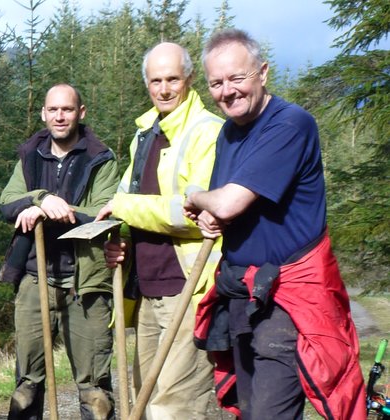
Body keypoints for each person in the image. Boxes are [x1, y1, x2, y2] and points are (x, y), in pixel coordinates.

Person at [182, 29, 365, 419]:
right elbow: (225, 210)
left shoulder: (290, 124)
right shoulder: (229, 134)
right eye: (216, 83)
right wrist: (208, 218)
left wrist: (197, 194)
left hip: (286, 298)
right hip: (240, 292)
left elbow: (229, 201)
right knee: (249, 410)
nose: (227, 91)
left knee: (270, 413)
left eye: (237, 78)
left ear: (262, 72)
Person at [96, 42, 222, 419]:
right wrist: (120, 244)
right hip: (148, 287)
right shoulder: (144, 133)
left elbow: (193, 211)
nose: (164, 89)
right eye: (156, 81)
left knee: (176, 407)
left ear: (189, 79)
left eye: (172, 79)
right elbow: (126, 199)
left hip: (190, 286)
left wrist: (123, 208)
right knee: (145, 400)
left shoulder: (208, 133)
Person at [0, 84, 119, 420]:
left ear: (81, 113)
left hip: (86, 284)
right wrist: (39, 199)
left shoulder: (100, 157)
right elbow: (8, 202)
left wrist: (55, 210)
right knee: (26, 385)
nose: (60, 116)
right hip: (35, 280)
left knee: (95, 391)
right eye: (53, 110)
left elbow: (102, 213)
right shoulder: (30, 154)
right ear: (44, 114)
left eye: (67, 109)